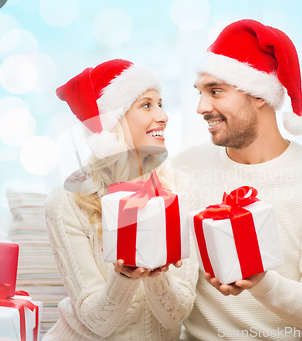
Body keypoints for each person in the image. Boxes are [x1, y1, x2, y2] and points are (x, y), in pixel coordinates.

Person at [171, 20, 302, 340]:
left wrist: (260, 281)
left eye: (216, 91)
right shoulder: (184, 168)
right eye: (200, 93)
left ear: (259, 95)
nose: (202, 107)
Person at [43, 59, 198, 340]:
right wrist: (124, 277)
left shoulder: (181, 190)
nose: (163, 115)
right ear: (113, 123)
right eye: (146, 105)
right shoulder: (67, 203)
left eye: (160, 103)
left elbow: (177, 313)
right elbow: (97, 322)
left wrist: (158, 272)